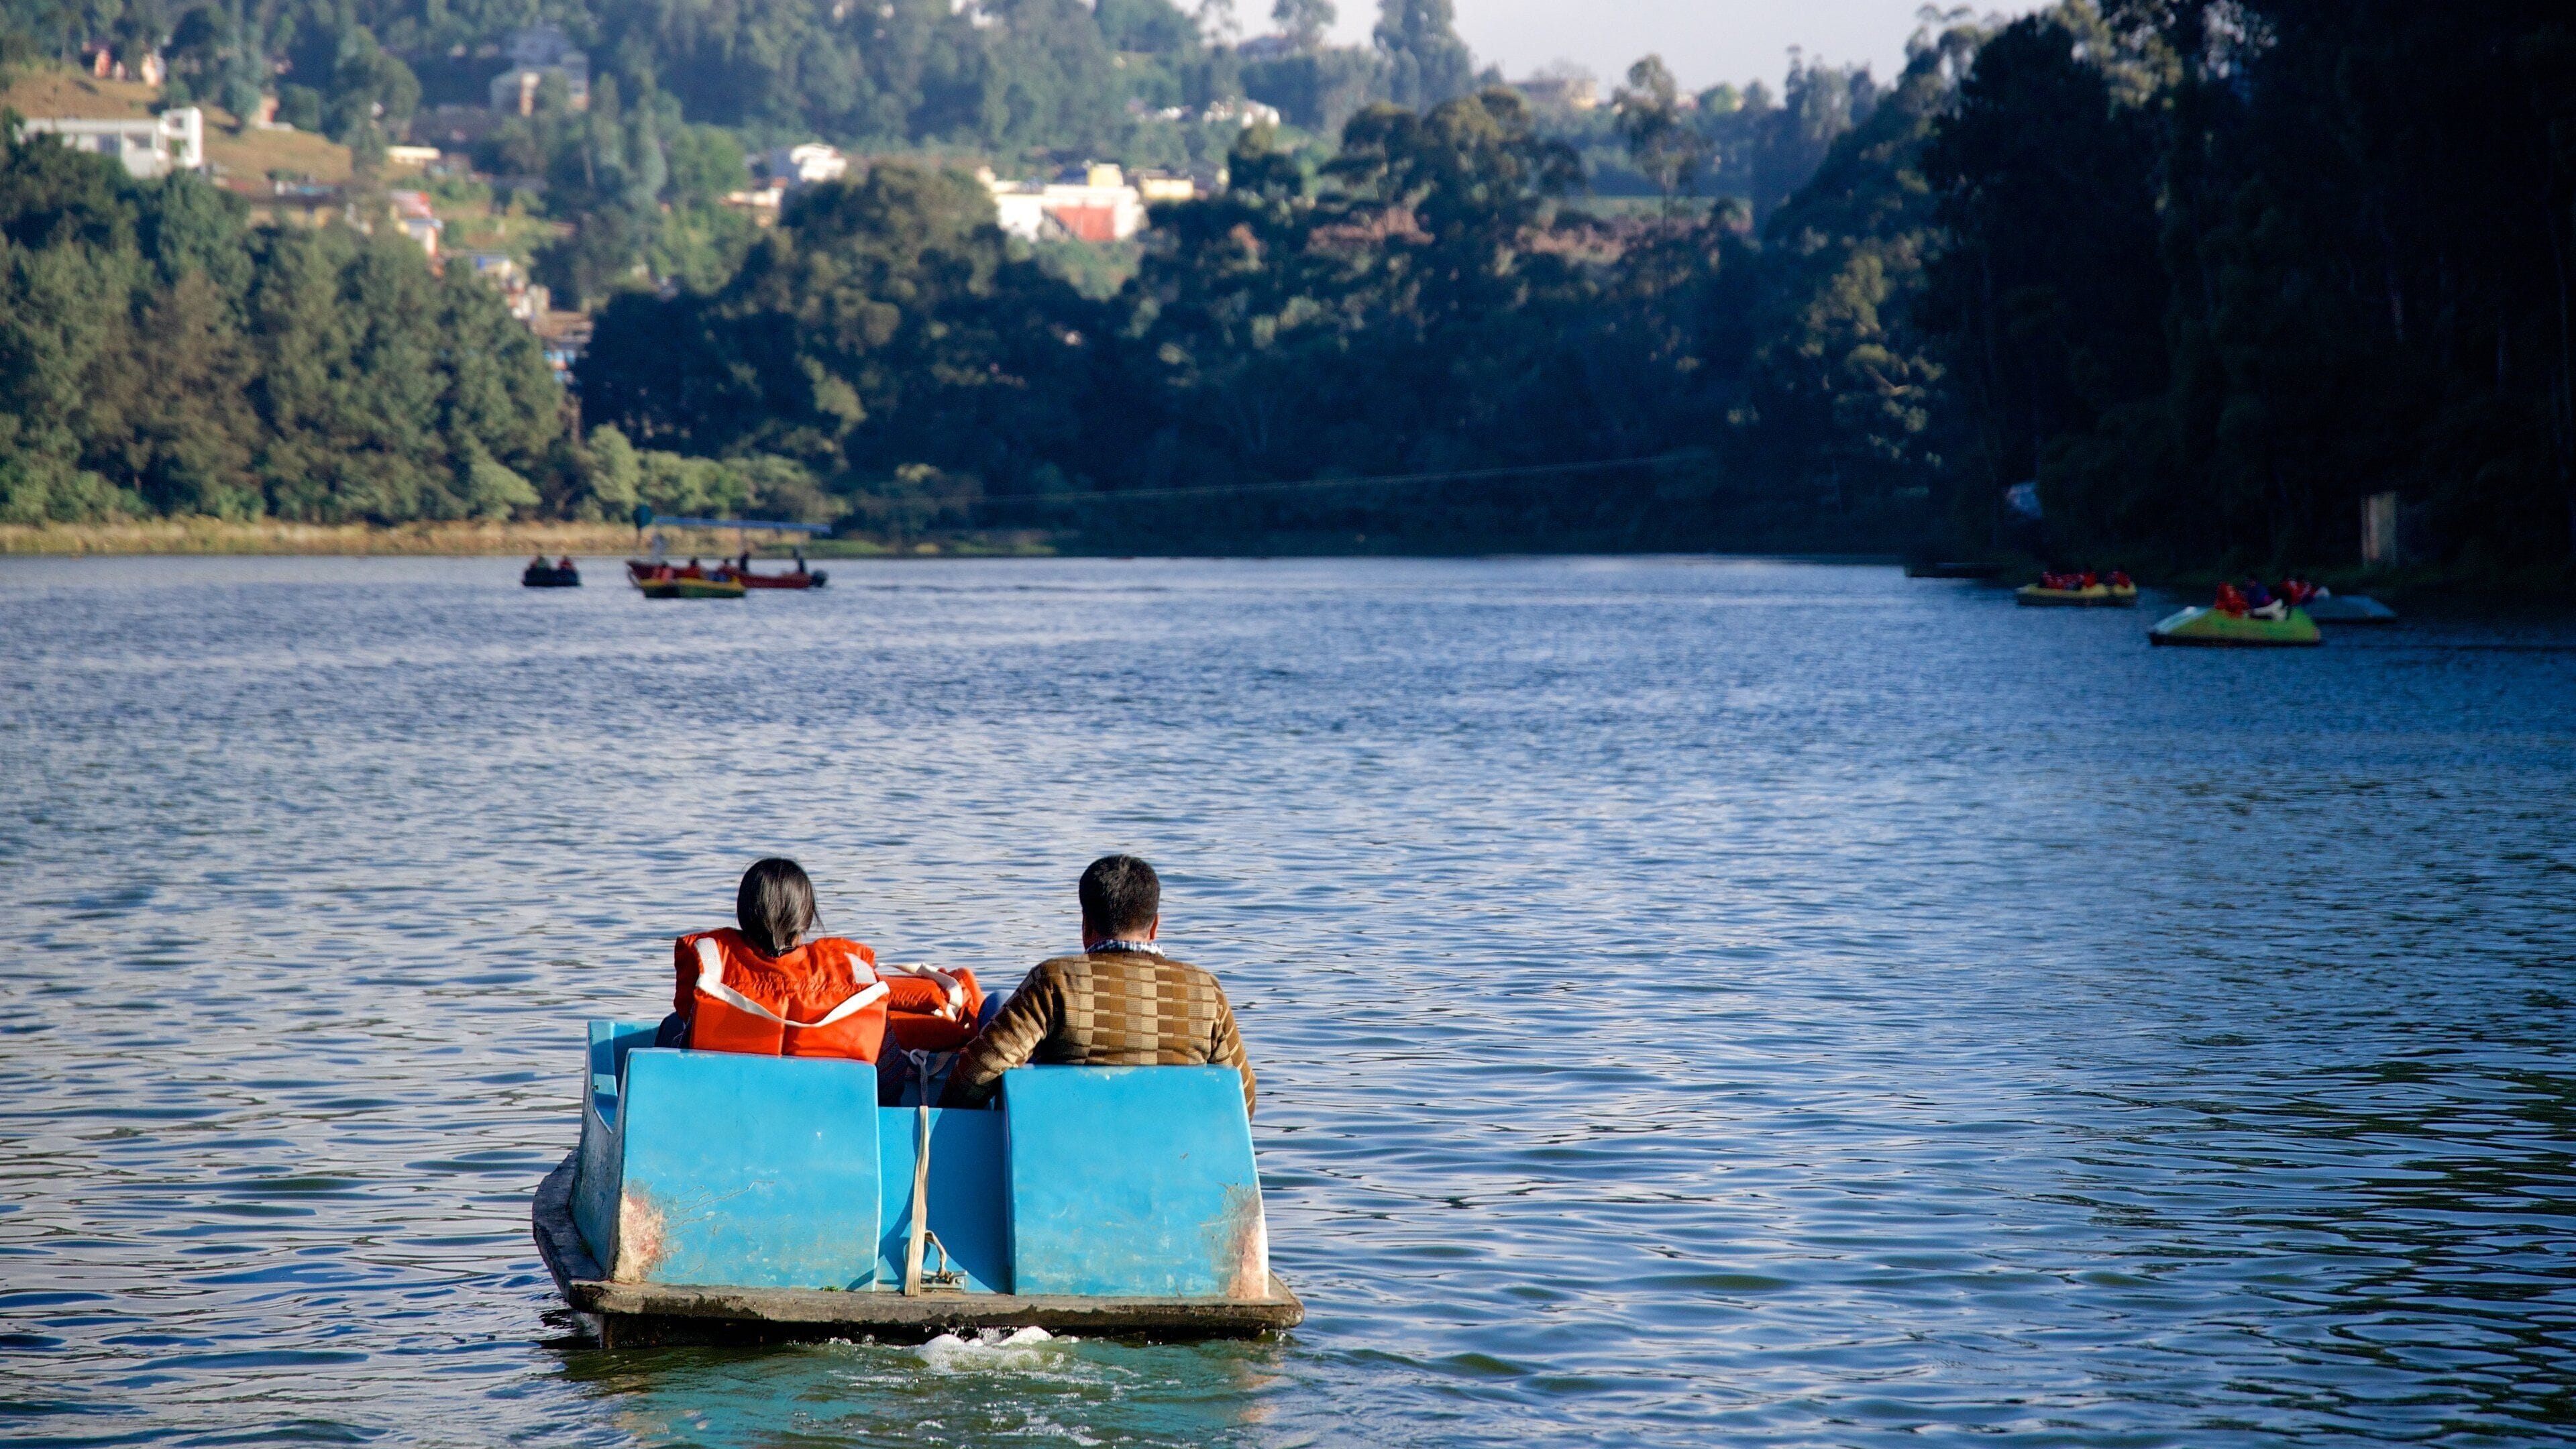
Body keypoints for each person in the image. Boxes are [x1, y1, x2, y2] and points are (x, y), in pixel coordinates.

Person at [939, 855, 1256, 1117]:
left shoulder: (1056, 981)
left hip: (1068, 1134)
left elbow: (977, 1074)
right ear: (1155, 926)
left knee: (997, 1003)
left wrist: (949, 1117)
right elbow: (1242, 1100)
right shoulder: (1205, 991)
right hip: (1172, 1145)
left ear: (1086, 925)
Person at [655, 858, 889, 1061]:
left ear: (744, 912)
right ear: (806, 917)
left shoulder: (713, 968)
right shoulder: (858, 979)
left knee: (675, 1023)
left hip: (720, 1101)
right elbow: (889, 1084)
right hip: (834, 1107)